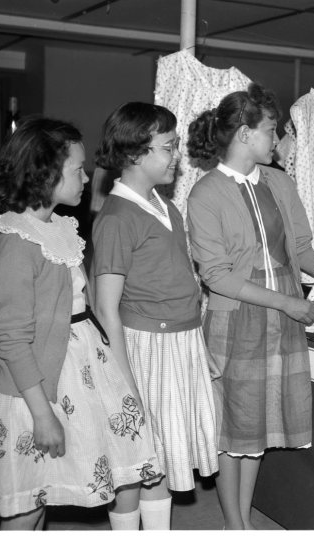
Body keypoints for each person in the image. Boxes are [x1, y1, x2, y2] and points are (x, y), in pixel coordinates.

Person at [0, 117, 161, 530]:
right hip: (33, 391)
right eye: (78, 169)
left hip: (76, 372)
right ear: (45, 173)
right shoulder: (17, 243)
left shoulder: (55, 228)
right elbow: (12, 340)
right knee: (25, 505)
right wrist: (42, 415)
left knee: (41, 495)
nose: (87, 177)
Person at [186, 83, 314, 530]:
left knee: (256, 427)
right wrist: (287, 303)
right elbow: (217, 276)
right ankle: (235, 524)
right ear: (245, 134)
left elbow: (303, 249)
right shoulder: (205, 194)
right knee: (233, 428)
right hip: (237, 319)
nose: (277, 140)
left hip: (283, 318)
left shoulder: (280, 182)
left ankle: (241, 522)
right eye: (271, 130)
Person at [92, 102, 218, 530]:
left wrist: (197, 344)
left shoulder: (166, 208)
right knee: (137, 460)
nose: (177, 155)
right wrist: (125, 381)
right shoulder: (117, 217)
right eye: (168, 147)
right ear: (134, 153)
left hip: (179, 342)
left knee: (161, 461)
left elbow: (180, 283)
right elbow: (105, 307)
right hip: (146, 348)